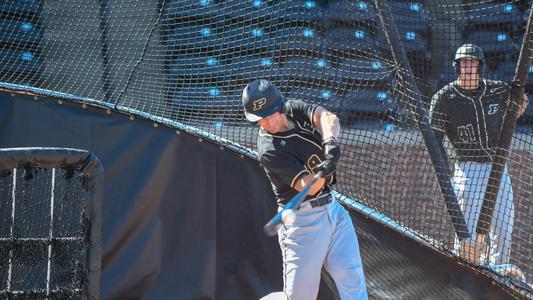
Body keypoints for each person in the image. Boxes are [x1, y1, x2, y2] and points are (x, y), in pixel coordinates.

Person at [242, 79, 368, 300]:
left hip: (333, 210)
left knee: (352, 280)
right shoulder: (268, 150)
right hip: (303, 222)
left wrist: (330, 143)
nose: (268, 122)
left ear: (279, 106)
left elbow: (328, 118)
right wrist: (323, 170)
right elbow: (308, 187)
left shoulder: (293, 109)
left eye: (271, 113)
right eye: (261, 118)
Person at [429, 44, 529, 266]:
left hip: (498, 168)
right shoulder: (444, 98)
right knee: (467, 236)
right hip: (468, 170)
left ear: (480, 66)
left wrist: (517, 109)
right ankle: (466, 278)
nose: (468, 68)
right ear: (457, 67)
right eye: (464, 63)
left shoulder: (496, 89)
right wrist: (445, 174)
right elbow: (434, 141)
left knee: (504, 228)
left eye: (472, 63)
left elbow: (521, 100)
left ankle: (499, 275)